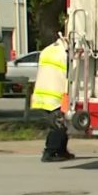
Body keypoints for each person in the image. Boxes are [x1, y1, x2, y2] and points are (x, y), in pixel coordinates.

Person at [32, 33, 73, 162]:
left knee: (61, 124)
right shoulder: (65, 54)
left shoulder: (47, 50)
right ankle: (49, 152)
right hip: (55, 96)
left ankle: (61, 150)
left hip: (42, 93)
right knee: (58, 125)